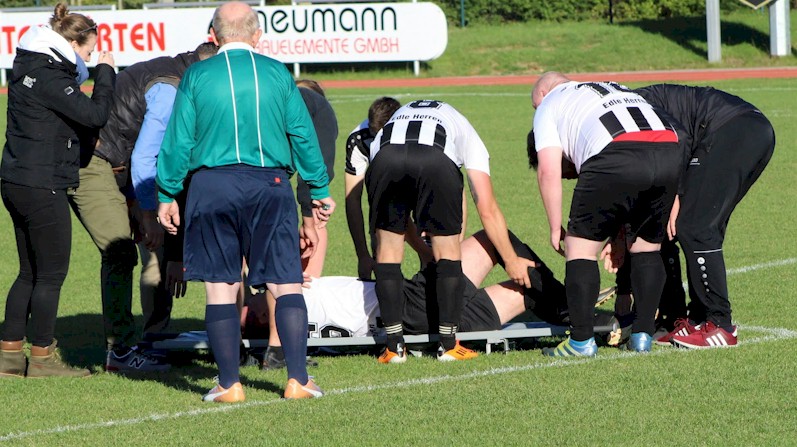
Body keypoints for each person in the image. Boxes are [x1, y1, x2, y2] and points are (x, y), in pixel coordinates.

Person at [156, 1, 335, 403]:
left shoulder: (197, 75)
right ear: (257, 36)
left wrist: (167, 192)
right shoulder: (277, 73)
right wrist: (318, 189)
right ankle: (298, 381)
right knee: (286, 283)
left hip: (211, 186)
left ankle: (229, 385)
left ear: (214, 37)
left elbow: (178, 139)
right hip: (269, 185)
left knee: (220, 288)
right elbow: (302, 135)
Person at [81, 42, 219, 373]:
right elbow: (145, 156)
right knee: (122, 252)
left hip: (118, 165)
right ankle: (127, 348)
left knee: (145, 255)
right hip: (102, 163)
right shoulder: (171, 88)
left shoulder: (172, 72)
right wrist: (145, 212)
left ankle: (147, 341)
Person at [367, 99, 537, 364]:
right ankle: (447, 345)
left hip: (385, 157)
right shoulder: (464, 128)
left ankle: (393, 347)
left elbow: (395, 225)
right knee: (448, 251)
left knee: (388, 251)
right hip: (435, 160)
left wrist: (419, 249)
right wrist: (511, 259)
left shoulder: (387, 128)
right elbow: (487, 207)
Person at [529, 72, 683, 356]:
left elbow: (548, 170)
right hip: (669, 150)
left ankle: (581, 341)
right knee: (647, 248)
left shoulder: (549, 104)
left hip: (614, 152)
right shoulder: (614, 87)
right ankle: (642, 336)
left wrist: (554, 225)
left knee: (580, 249)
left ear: (541, 96)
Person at [241, 229, 616, 344]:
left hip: (425, 313)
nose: (257, 296)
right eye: (253, 307)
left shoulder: (288, 300)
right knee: (497, 240)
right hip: (414, 303)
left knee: (525, 288)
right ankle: (571, 308)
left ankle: (570, 309)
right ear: (263, 319)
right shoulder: (285, 306)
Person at [0, 3, 115, 378]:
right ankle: (43, 359)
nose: (89, 58)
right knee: (50, 275)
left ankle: (10, 355)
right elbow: (95, 115)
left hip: (17, 179)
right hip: (42, 182)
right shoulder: (50, 75)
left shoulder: (27, 65)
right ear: (70, 42)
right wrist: (106, 73)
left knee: (29, 272)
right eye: (87, 51)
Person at [629, 84, 775, 349]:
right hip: (737, 130)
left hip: (735, 130)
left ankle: (720, 325)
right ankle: (698, 320)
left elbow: (681, 136)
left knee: (694, 227)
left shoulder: (627, 111)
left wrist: (677, 193)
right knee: (693, 226)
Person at [259, 78, 338, 370]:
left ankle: (240, 346)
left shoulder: (271, 102)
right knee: (290, 262)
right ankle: (283, 345)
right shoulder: (318, 110)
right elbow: (316, 166)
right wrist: (310, 210)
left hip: (229, 182)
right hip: (268, 184)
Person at [344, 97, 401, 280]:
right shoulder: (359, 141)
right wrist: (362, 255)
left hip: (418, 183)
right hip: (384, 191)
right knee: (383, 259)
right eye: (375, 136)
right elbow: (352, 198)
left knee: (431, 254)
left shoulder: (418, 135)